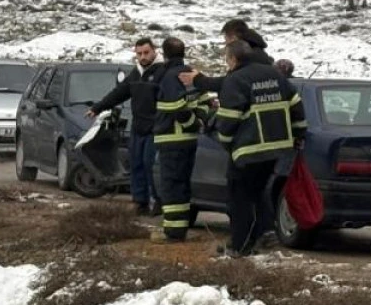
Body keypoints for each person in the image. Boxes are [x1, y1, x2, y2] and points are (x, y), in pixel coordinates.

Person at [212, 39, 307, 257]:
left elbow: (228, 120)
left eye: (227, 59)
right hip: (276, 150)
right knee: (257, 192)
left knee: (239, 199)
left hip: (247, 151)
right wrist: (298, 134)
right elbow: (296, 106)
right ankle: (264, 233)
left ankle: (240, 246)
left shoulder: (234, 80)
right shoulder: (274, 75)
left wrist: (226, 143)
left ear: (233, 59)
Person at [89, 37, 163, 215]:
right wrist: (98, 108)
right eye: (139, 54)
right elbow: (119, 93)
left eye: (146, 53)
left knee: (149, 165)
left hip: (155, 128)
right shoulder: (136, 74)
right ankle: (140, 201)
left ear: (154, 51)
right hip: (138, 127)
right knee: (136, 164)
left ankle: (158, 201)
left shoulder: (162, 72)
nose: (143, 57)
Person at [151, 38, 207, 242]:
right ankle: (180, 228)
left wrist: (192, 122)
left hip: (172, 139)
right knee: (182, 184)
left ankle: (173, 232)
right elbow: (206, 102)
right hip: (189, 140)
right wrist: (199, 122)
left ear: (164, 55)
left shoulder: (169, 76)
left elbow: (176, 107)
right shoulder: (192, 73)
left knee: (171, 186)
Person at [180, 19, 274, 93]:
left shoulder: (247, 56)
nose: (225, 43)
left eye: (226, 39)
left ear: (233, 38)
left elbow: (229, 83)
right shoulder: (257, 52)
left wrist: (198, 80)